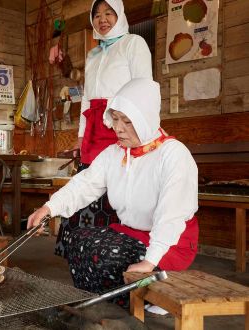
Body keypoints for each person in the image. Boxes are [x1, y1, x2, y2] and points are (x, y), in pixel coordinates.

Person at [28, 78, 199, 303]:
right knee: (77, 239)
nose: (117, 128)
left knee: (108, 256)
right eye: (116, 119)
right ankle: (100, 304)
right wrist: (49, 208)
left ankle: (154, 299)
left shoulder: (173, 155)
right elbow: (85, 184)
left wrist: (150, 262)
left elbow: (171, 216)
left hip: (169, 243)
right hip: (131, 233)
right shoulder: (115, 153)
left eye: (127, 121)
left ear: (146, 120)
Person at [55, 0, 153, 257]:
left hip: (121, 124)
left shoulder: (134, 44)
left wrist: (140, 133)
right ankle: (84, 256)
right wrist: (80, 136)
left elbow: (145, 90)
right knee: (88, 187)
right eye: (97, 15)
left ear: (119, 14)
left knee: (116, 190)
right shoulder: (93, 54)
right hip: (94, 129)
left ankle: (114, 258)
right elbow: (87, 98)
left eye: (108, 13)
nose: (103, 19)